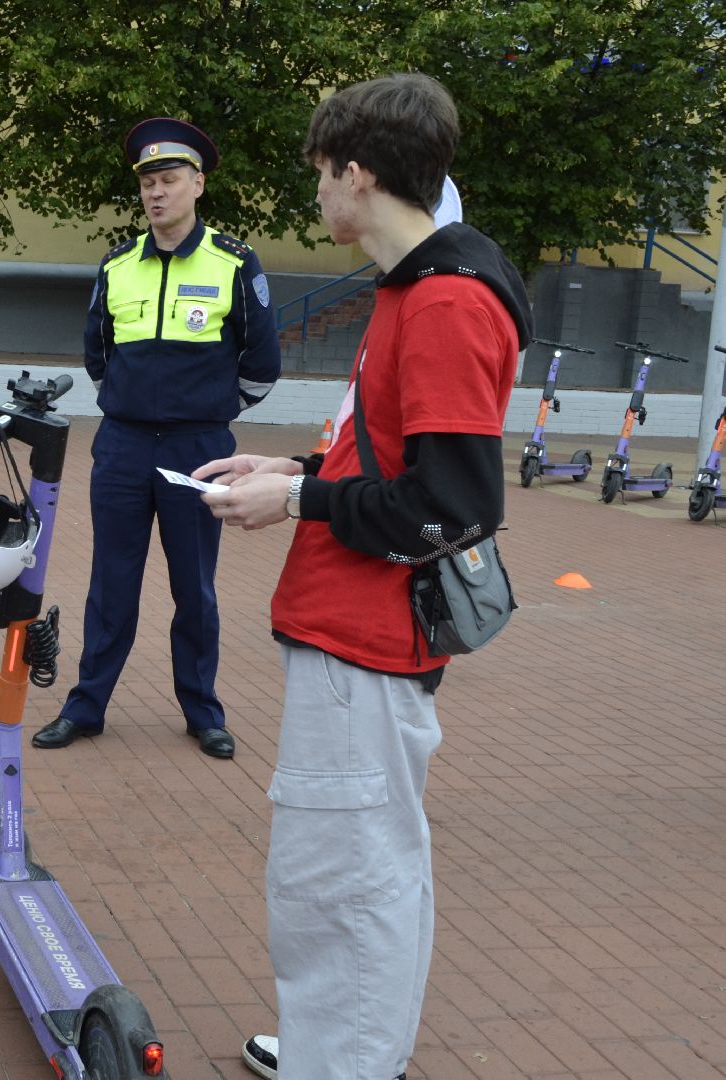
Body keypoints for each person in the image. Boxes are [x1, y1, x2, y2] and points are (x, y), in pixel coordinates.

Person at [192, 73, 529, 1080]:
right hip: (358, 632)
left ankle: (344, 1065)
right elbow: (393, 465)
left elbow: (453, 507)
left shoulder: (444, 303)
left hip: (368, 639)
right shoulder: (418, 291)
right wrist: (295, 471)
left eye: (321, 178)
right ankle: (336, 1047)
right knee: (352, 866)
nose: (316, 199)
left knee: (343, 876)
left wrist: (297, 504)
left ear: (358, 172)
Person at [32, 116, 281, 757]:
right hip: (122, 446)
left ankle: (203, 712)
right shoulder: (117, 266)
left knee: (193, 587)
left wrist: (210, 416)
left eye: (170, 179)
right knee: (110, 584)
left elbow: (263, 363)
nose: (156, 192)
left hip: (199, 449)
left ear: (197, 184)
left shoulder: (234, 262)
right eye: (148, 182)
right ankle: (86, 707)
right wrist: (132, 407)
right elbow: (97, 355)